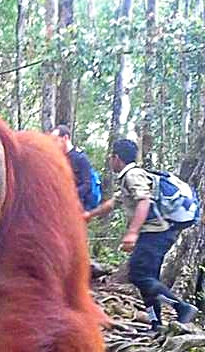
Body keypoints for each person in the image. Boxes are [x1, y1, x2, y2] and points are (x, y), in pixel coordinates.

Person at [85, 137, 198, 333]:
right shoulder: (131, 177)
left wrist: (132, 233)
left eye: (112, 158)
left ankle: (181, 307)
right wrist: (88, 215)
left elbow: (144, 201)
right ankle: (155, 325)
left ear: (116, 158)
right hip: (158, 233)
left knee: (138, 275)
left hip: (155, 234)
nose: (111, 161)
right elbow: (113, 203)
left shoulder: (133, 176)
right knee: (147, 277)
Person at [52, 124, 94, 209]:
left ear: (65, 138)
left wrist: (70, 194)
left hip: (76, 207)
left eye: (55, 140)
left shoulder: (80, 158)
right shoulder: (57, 158)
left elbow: (87, 185)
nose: (53, 144)